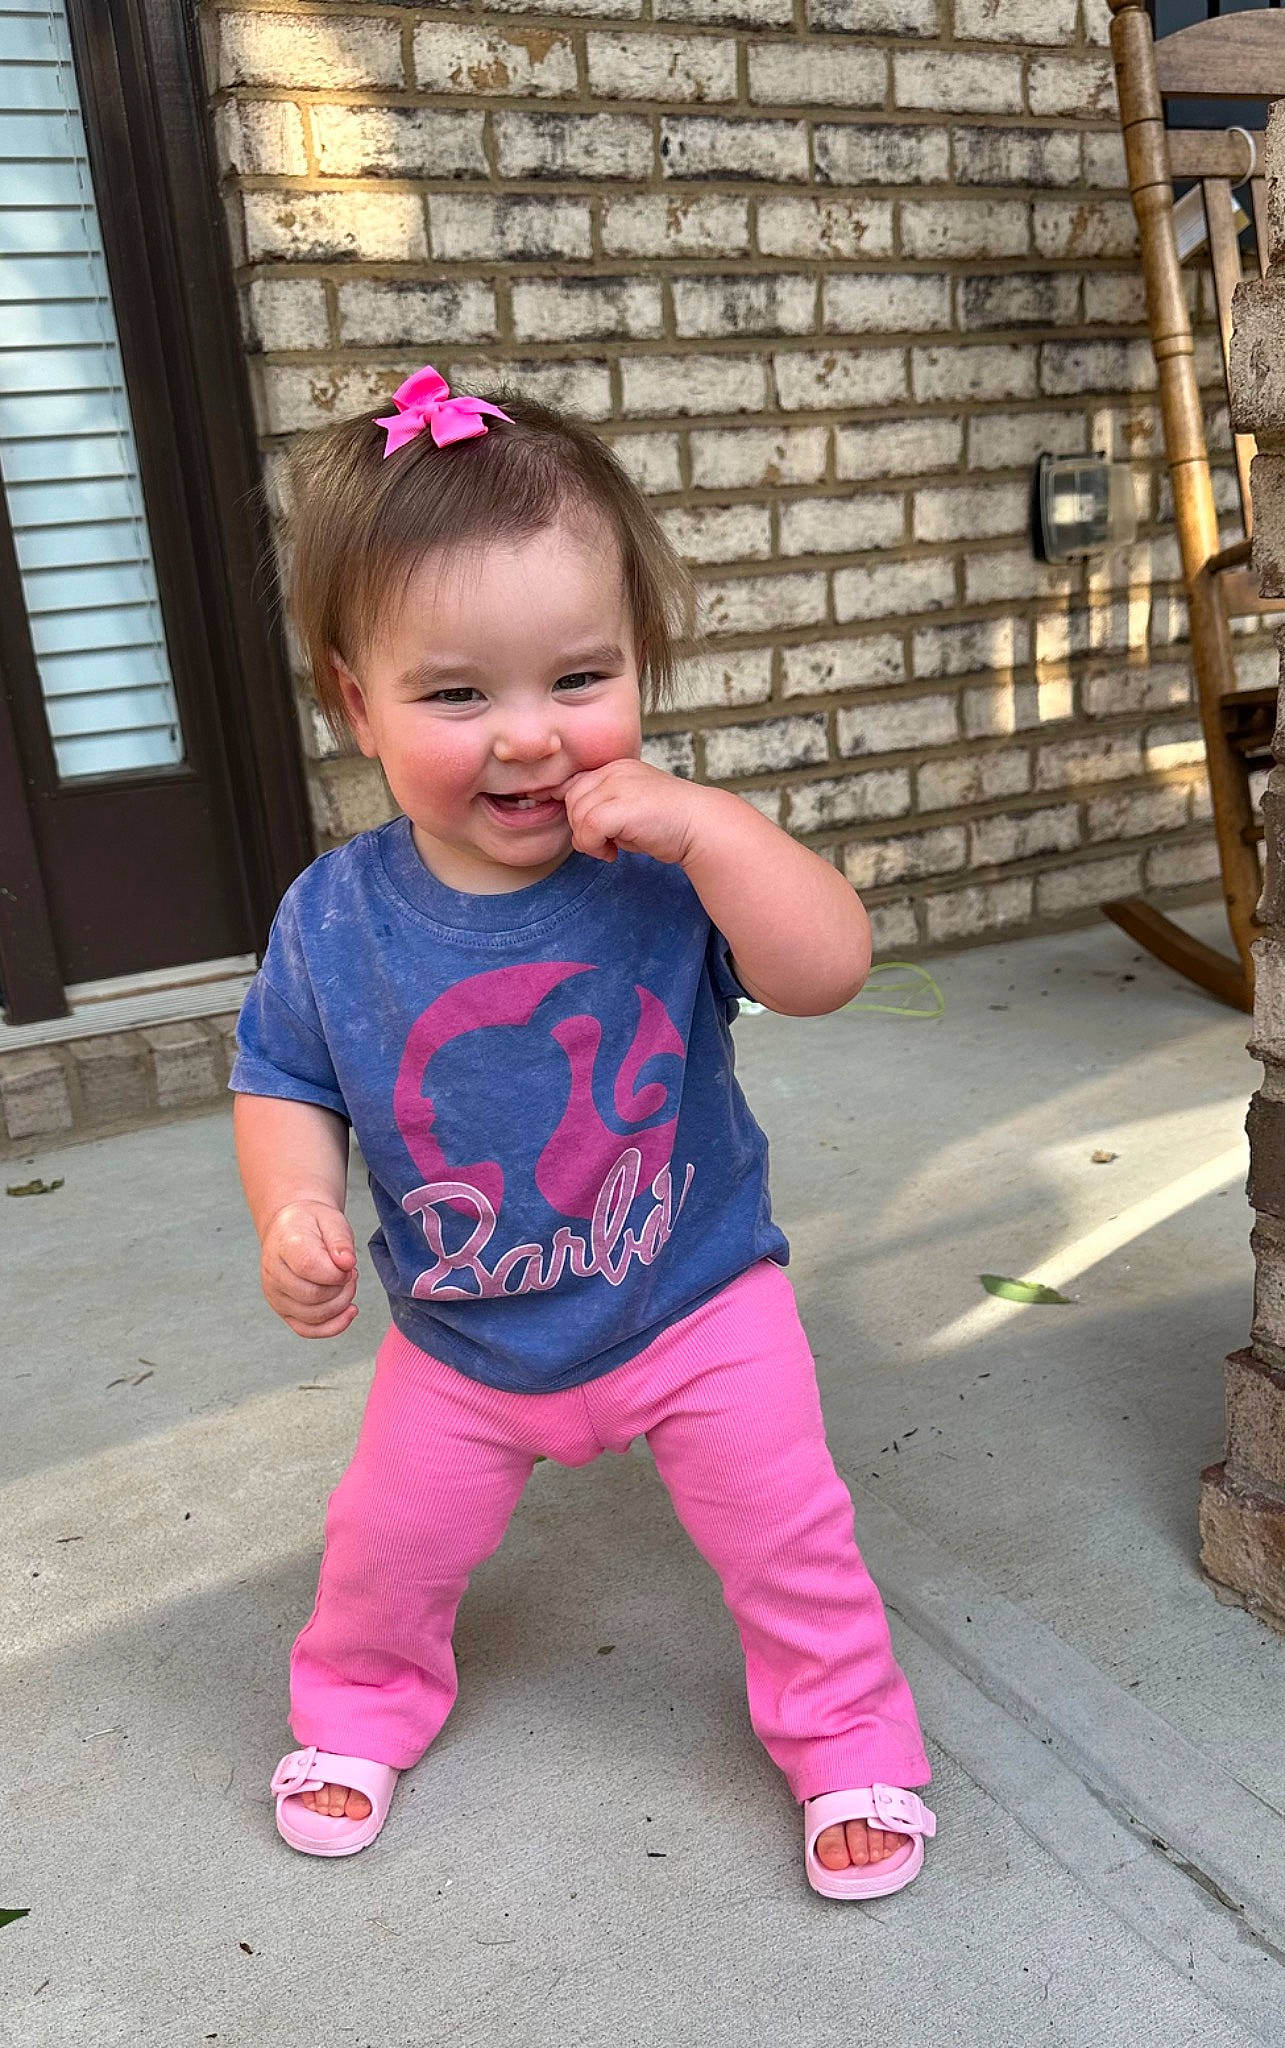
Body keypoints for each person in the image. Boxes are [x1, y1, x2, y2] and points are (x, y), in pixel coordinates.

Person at [230, 367, 935, 1900]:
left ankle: (849, 1735)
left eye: (579, 678)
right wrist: (292, 1208)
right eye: (457, 693)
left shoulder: (661, 869)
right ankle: (357, 1707)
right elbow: (284, 1078)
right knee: (382, 1549)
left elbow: (828, 969)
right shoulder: (335, 919)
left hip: (695, 1304)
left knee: (790, 1537)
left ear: (644, 671)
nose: (531, 739)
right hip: (468, 1340)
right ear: (356, 700)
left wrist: (719, 830)